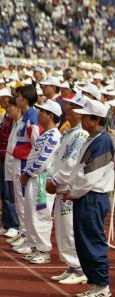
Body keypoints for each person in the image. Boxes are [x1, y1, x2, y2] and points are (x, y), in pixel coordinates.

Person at [64, 99, 115, 297]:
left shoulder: (103, 141)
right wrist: (73, 189)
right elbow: (80, 170)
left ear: (96, 120)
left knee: (92, 241)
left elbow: (90, 176)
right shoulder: (92, 138)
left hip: (92, 197)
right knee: (83, 242)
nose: (81, 119)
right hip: (85, 196)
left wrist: (73, 191)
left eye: (85, 116)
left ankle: (102, 285)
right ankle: (95, 283)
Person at [46, 93, 88, 284]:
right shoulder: (68, 132)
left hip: (67, 189)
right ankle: (71, 266)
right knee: (62, 229)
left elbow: (71, 163)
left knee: (69, 229)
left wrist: (55, 180)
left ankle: (79, 268)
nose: (68, 109)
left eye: (72, 107)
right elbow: (57, 158)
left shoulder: (80, 135)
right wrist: (51, 178)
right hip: (60, 187)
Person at [18, 99, 62, 264]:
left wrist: (27, 173)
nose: (39, 114)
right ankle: (35, 246)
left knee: (40, 214)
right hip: (34, 178)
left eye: (42, 111)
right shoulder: (46, 134)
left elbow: (43, 160)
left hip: (41, 179)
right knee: (31, 213)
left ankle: (44, 250)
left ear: (50, 115)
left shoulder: (54, 136)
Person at [8, 85, 41, 252]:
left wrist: (30, 165)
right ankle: (24, 233)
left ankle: (30, 238)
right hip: (17, 160)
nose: (16, 99)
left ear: (25, 99)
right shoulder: (24, 116)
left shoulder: (31, 117)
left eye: (19, 96)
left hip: (24, 163)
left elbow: (37, 143)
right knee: (20, 200)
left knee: (24, 201)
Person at [0, 90, 19, 238]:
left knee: (9, 193)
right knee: (4, 193)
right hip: (3, 158)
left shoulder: (15, 119)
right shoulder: (5, 117)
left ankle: (14, 224)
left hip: (10, 159)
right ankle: (7, 223)